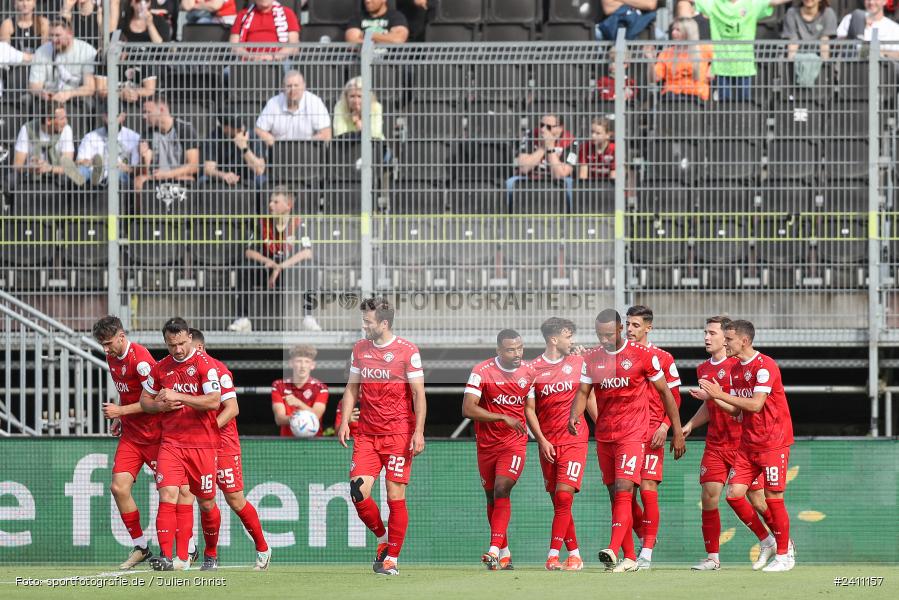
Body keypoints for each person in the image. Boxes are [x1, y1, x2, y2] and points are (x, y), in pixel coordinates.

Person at [569, 309, 685, 573]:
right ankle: (631, 555)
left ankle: (630, 549)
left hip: (638, 433)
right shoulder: (593, 359)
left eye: (609, 334)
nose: (604, 339)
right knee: (618, 494)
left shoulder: (650, 356)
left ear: (621, 330)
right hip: (605, 435)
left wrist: (673, 429)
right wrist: (575, 415)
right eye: (600, 335)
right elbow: (583, 392)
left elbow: (669, 394)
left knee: (636, 488)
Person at [337, 297, 427, 576]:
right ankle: (383, 538)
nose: (364, 326)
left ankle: (392, 559)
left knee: (394, 495)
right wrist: (344, 420)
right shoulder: (360, 349)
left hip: (399, 434)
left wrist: (419, 431)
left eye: (368, 322)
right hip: (367, 434)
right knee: (358, 492)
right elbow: (352, 388)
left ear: (384, 323)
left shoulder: (407, 351)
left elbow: (418, 394)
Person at [698, 320, 796, 572]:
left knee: (772, 498)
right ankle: (768, 541)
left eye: (728, 339)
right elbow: (737, 411)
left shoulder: (765, 366)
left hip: (773, 442)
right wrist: (714, 398)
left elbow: (755, 404)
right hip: (748, 443)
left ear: (744, 341)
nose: (725, 343)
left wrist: (719, 394)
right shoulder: (735, 369)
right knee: (734, 495)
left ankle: (784, 556)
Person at [683, 315, 771, 571]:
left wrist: (716, 395)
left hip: (743, 444)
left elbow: (742, 405)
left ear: (726, 337)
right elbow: (710, 406)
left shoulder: (740, 365)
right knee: (709, 496)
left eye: (712, 333)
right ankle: (713, 557)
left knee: (758, 500)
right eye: (705, 332)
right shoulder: (703, 369)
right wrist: (691, 424)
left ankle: (780, 540)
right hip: (715, 444)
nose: (706, 337)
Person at [138, 317, 223, 572]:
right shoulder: (161, 368)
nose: (177, 349)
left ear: (189, 338)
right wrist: (159, 406)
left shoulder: (205, 364)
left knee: (206, 503)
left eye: (181, 343)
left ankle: (211, 554)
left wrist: (180, 396)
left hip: (202, 445)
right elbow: (144, 401)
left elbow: (214, 401)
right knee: (167, 495)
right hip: (171, 443)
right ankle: (166, 556)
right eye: (171, 344)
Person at [189, 329, 271, 571]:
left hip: (223, 443)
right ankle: (208, 555)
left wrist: (209, 430)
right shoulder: (180, 370)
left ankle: (263, 547)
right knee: (204, 501)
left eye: (185, 346)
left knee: (235, 499)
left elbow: (232, 408)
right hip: (195, 444)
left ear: (199, 348)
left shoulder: (219, 370)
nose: (180, 351)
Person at [462, 329, 536, 571]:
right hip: (486, 445)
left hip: (514, 443)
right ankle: (504, 553)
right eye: (511, 349)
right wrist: (502, 417)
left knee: (502, 488)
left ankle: (493, 550)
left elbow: (530, 409)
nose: (517, 353)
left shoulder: (529, 372)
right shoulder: (481, 372)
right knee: (491, 496)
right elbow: (468, 409)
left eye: (520, 348)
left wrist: (542, 439)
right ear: (499, 350)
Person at [92, 315, 159, 571]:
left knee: (174, 492)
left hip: (156, 435)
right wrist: (121, 417)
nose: (105, 349)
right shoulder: (112, 356)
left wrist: (120, 411)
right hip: (132, 436)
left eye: (108, 343)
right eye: (102, 344)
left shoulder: (141, 361)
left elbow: (155, 402)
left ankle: (187, 548)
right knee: (119, 488)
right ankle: (141, 547)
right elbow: (127, 391)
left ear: (122, 336)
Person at [524, 318, 589, 572]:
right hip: (548, 443)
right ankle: (574, 555)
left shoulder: (579, 362)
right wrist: (541, 440)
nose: (572, 341)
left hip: (574, 439)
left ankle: (552, 555)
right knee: (559, 502)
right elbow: (529, 409)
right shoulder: (532, 369)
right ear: (554, 339)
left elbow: (590, 397)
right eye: (568, 336)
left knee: (563, 496)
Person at [623, 305, 682, 570]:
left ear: (649, 327)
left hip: (651, 433)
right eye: (628, 324)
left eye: (635, 325)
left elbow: (675, 397)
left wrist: (666, 426)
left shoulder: (663, 358)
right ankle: (644, 537)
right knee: (623, 492)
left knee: (648, 488)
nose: (629, 329)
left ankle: (646, 552)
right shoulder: (619, 356)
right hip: (626, 433)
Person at [228, 186, 319, 333]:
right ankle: (243, 319)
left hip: (290, 273)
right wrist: (269, 262)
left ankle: (308, 318)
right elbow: (249, 251)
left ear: (288, 205)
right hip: (266, 272)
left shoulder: (298, 223)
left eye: (275, 202)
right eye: (271, 201)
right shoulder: (262, 223)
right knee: (245, 266)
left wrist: (280, 266)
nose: (270, 205)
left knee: (310, 267)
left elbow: (307, 252)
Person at [694, 0, 793, 100]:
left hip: (744, 67)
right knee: (724, 106)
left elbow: (774, 2)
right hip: (721, 67)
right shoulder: (714, 4)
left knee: (744, 105)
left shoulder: (751, 4)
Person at [506, 112, 576, 212]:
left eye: (548, 127)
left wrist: (550, 148)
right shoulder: (530, 135)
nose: (543, 129)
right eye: (541, 125)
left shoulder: (571, 141)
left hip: (557, 181)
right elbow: (523, 168)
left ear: (560, 128)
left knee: (571, 186)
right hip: (529, 178)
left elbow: (559, 174)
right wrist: (543, 147)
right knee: (510, 182)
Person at [133, 96, 200, 200]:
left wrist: (167, 175)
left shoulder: (185, 129)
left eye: (148, 112)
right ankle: (140, 211)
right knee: (138, 181)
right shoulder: (147, 134)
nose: (144, 116)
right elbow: (144, 171)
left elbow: (194, 166)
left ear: (161, 110)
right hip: (156, 177)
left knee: (189, 178)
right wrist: (143, 157)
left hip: (178, 175)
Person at [12, 101, 84, 187]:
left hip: (57, 176)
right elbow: (17, 165)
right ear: (48, 120)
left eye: (66, 117)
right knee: (11, 177)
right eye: (62, 119)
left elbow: (68, 167)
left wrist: (49, 168)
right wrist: (31, 168)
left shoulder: (66, 129)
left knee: (69, 178)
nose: (66, 122)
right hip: (30, 176)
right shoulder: (27, 129)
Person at [28, 18, 96, 107]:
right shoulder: (41, 52)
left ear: (70, 34)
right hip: (49, 100)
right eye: (51, 35)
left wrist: (68, 94)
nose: (53, 39)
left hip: (76, 101)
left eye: (57, 35)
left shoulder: (87, 51)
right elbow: (34, 85)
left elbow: (90, 87)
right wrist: (42, 93)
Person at [255, 70, 332, 146]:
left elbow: (326, 134)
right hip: (280, 150)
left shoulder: (315, 102)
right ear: (283, 88)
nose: (293, 90)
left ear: (304, 86)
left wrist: (302, 145)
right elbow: (259, 129)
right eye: (289, 86)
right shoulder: (273, 103)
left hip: (308, 150)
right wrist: (273, 144)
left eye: (296, 85)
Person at [271, 344, 330, 437]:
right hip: (287, 441)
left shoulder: (321, 388)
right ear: (291, 363)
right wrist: (295, 419)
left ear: (312, 365)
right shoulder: (279, 385)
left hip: (314, 441)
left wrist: (298, 403)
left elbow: (317, 416)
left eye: (307, 362)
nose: (303, 366)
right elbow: (279, 419)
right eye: (298, 361)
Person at [76, 105, 140, 187]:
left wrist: (124, 167)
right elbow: (79, 161)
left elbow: (136, 169)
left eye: (116, 115)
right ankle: (97, 178)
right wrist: (92, 162)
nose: (111, 120)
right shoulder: (90, 136)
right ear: (103, 116)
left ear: (123, 116)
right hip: (94, 171)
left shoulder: (134, 138)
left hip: (119, 172)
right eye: (108, 115)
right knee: (80, 171)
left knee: (116, 174)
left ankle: (103, 181)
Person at [653, 17, 714, 101]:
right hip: (671, 96)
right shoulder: (666, 52)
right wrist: (650, 60)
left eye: (678, 30)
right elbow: (655, 77)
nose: (673, 33)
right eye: (673, 29)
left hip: (696, 95)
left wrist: (713, 69)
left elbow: (723, 55)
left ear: (688, 32)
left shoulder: (704, 48)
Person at [202, 115, 266, 190]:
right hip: (222, 176)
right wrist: (224, 175)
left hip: (249, 177)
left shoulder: (251, 135)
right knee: (203, 180)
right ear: (225, 127)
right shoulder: (213, 137)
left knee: (262, 181)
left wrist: (244, 148)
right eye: (236, 126)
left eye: (241, 124)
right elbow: (208, 169)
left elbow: (260, 170)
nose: (241, 128)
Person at [229, 0, 300, 62]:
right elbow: (234, 45)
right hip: (247, 62)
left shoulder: (287, 13)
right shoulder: (243, 15)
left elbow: (293, 44)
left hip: (280, 61)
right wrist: (251, 56)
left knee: (294, 73)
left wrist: (273, 57)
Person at [345, 0, 410, 44]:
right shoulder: (357, 17)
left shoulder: (396, 17)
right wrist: (385, 39)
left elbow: (398, 39)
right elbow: (352, 42)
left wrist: (368, 35)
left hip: (389, 59)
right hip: (363, 58)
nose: (367, 1)